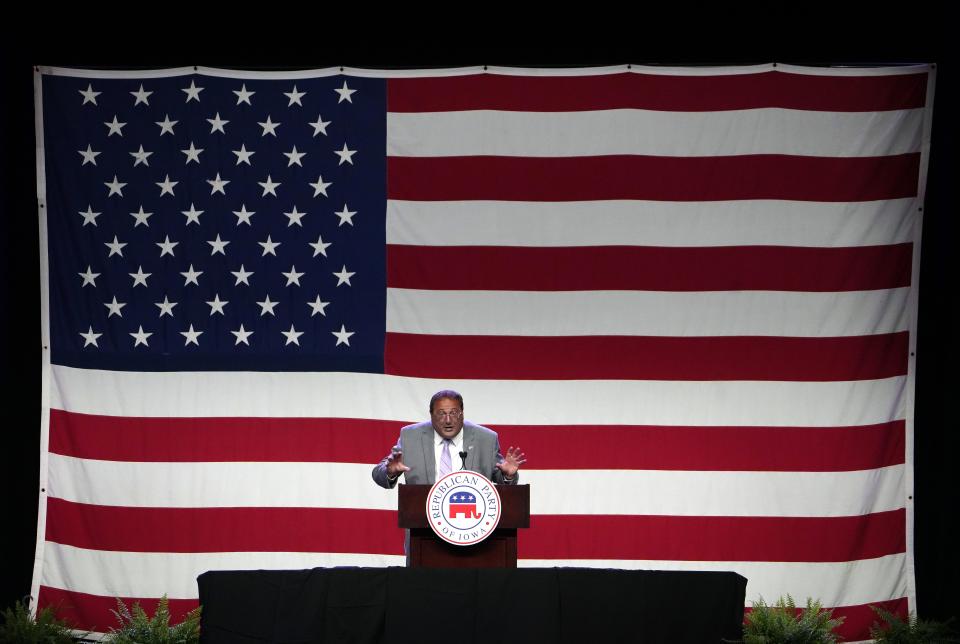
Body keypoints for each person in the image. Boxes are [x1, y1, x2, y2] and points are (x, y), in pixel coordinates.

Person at [372, 389, 525, 488]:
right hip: (423, 527)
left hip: (472, 525)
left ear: (462, 413)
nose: (448, 420)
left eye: (453, 413)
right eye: (441, 414)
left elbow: (501, 478)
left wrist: (508, 475)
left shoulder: (485, 438)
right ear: (431, 415)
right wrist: (390, 471)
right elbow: (378, 474)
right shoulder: (411, 436)